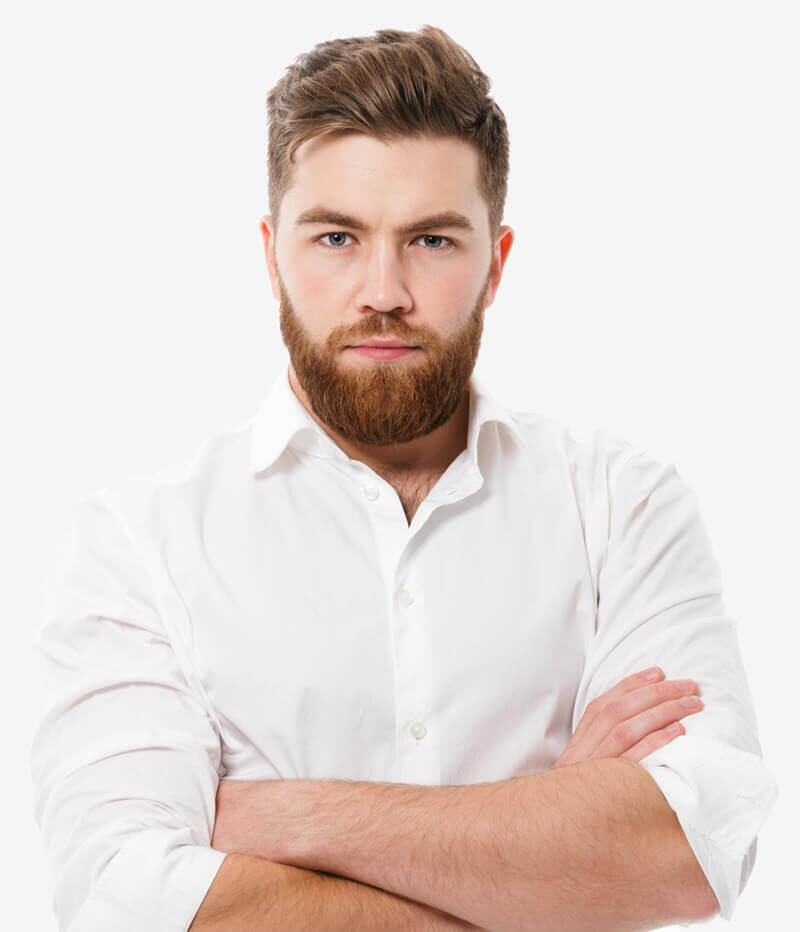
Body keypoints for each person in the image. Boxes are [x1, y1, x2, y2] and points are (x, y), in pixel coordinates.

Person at [30, 24, 778, 931]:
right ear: (271, 256)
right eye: (336, 237)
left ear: (496, 265)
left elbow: (691, 848)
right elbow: (121, 899)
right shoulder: (139, 543)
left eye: (430, 239)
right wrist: (547, 849)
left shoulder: (622, 505)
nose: (383, 290)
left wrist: (284, 818)